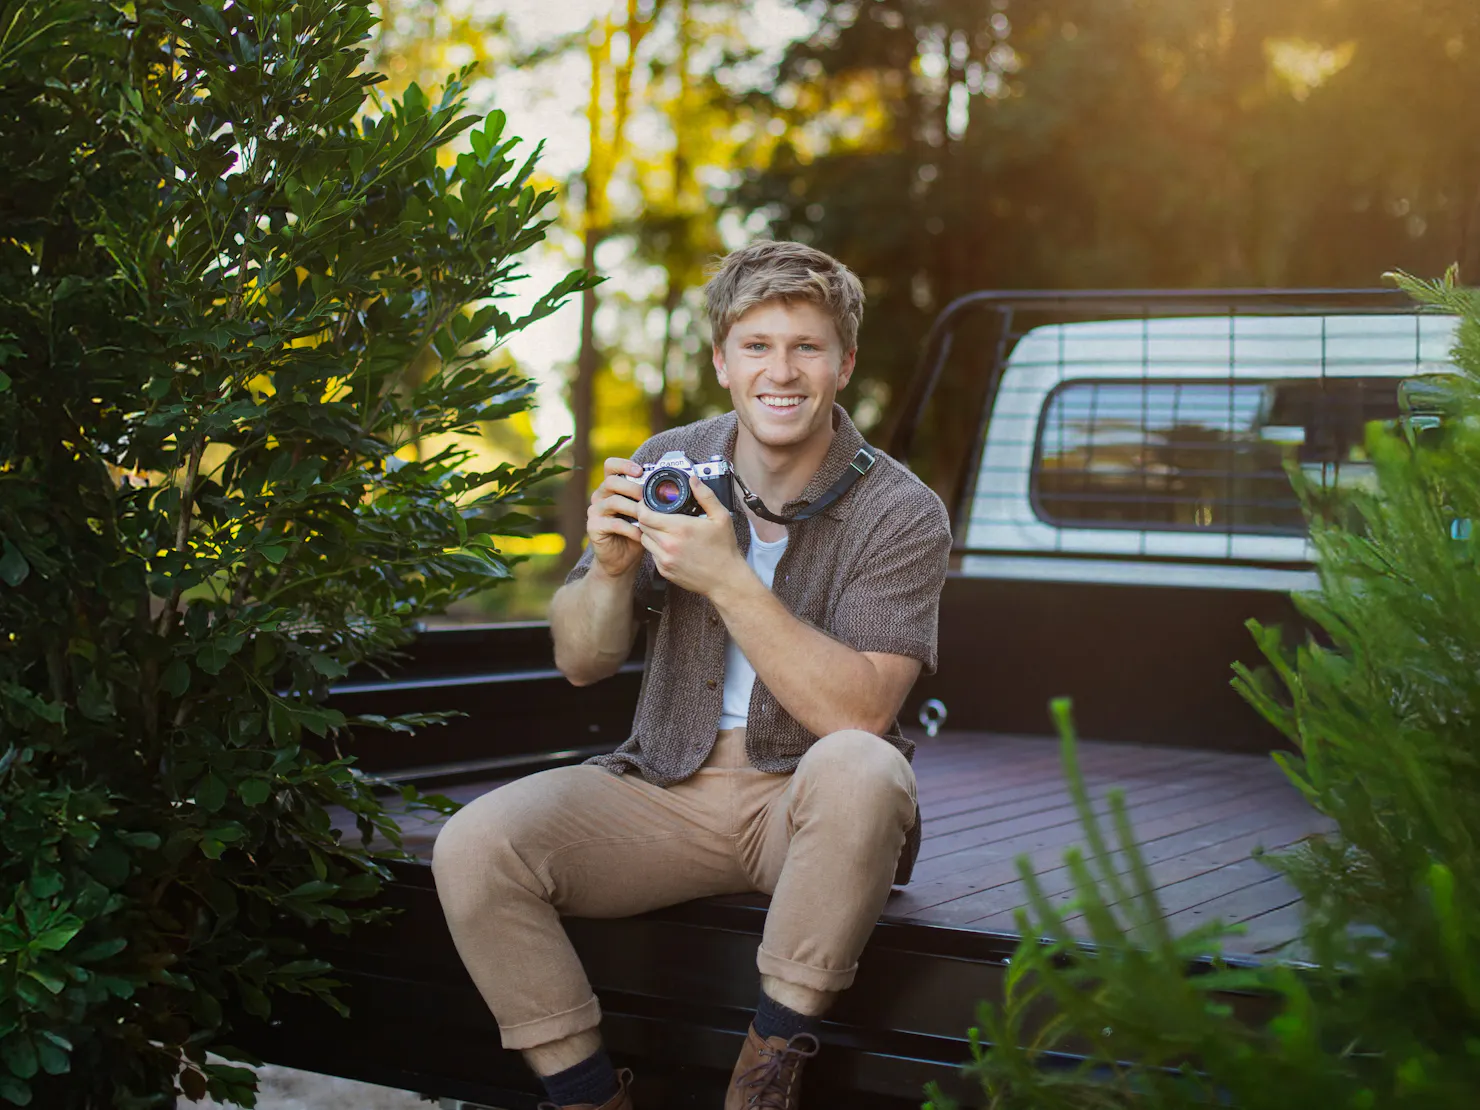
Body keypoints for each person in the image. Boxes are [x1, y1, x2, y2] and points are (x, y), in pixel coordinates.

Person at [431, 240, 952, 1110]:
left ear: (845, 362)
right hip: (667, 787)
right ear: (721, 360)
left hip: (806, 808)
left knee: (865, 766)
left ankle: (763, 1075)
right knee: (476, 844)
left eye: (806, 347)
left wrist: (726, 577)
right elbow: (581, 661)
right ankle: (588, 1094)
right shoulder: (675, 460)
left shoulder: (900, 511)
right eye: (756, 346)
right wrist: (604, 569)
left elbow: (860, 713)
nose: (780, 372)